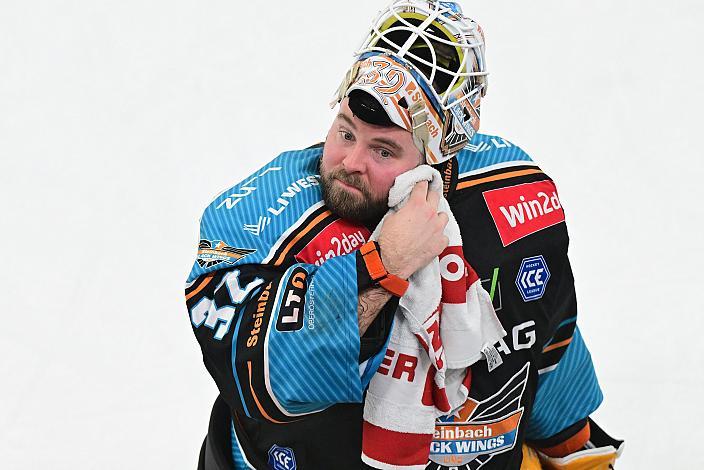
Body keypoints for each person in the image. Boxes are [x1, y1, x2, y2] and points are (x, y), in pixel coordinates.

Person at [185, 1, 623, 469]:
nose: (351, 163)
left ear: (437, 158)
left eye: (383, 149)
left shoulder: (513, 192)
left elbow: (544, 331)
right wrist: (382, 265)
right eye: (346, 132)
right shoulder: (261, 212)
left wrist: (573, 448)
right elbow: (263, 373)